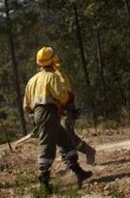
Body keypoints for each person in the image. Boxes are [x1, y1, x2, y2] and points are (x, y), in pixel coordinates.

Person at [24, 47, 92, 194]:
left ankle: (78, 171)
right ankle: (44, 183)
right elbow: (62, 97)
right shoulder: (52, 77)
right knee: (46, 147)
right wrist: (69, 98)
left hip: (40, 114)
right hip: (49, 113)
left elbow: (26, 106)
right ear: (52, 60)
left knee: (66, 142)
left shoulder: (31, 81)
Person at [53, 55, 96, 165]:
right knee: (63, 136)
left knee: (67, 136)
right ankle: (80, 154)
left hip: (64, 109)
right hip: (61, 110)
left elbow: (64, 96)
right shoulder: (56, 75)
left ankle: (75, 159)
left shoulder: (57, 76)